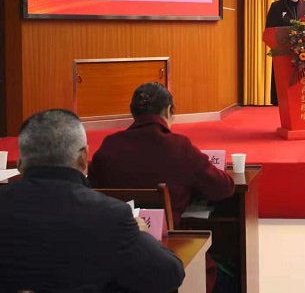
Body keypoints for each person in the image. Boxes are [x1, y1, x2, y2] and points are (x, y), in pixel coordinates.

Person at [0, 109, 184, 293]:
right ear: (83, 158)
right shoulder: (110, 216)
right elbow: (169, 274)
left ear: (20, 165)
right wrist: (141, 234)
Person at [89, 82, 236, 293]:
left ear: (133, 112)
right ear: (168, 111)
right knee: (229, 276)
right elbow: (223, 188)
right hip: (168, 252)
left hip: (114, 254)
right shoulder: (179, 146)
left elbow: (94, 189)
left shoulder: (109, 146)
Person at [265, 0, 305, 105]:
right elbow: (269, 31)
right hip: (283, 55)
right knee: (284, 94)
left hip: (302, 56)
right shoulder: (276, 7)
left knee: (301, 93)